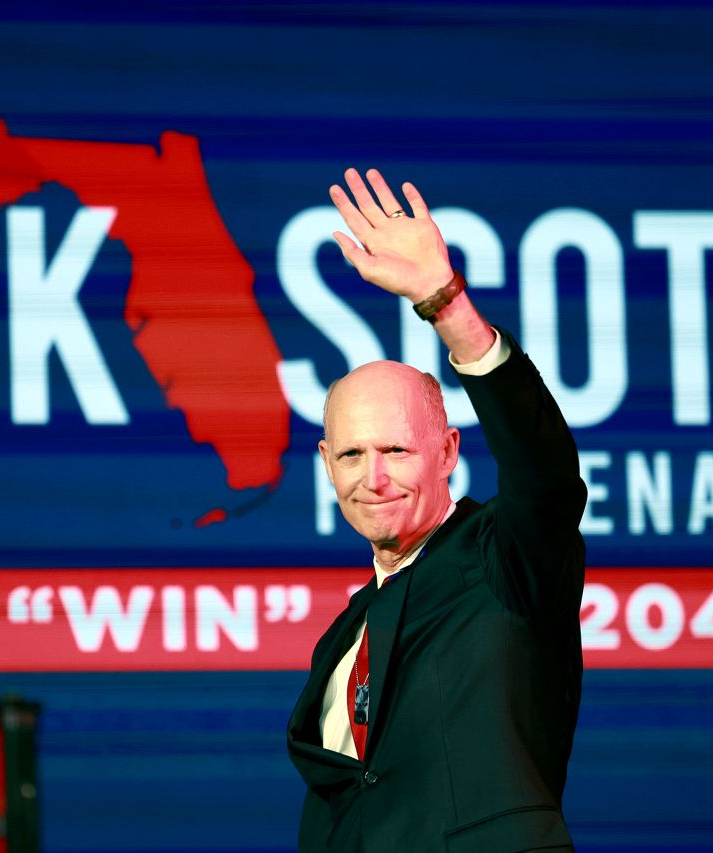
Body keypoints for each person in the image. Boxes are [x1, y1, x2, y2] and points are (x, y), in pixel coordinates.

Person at [287, 169, 588, 852]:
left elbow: (546, 477)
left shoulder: (504, 560)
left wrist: (445, 305)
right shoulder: (344, 638)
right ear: (325, 461)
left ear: (448, 450)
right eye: (352, 454)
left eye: (396, 448)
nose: (375, 477)